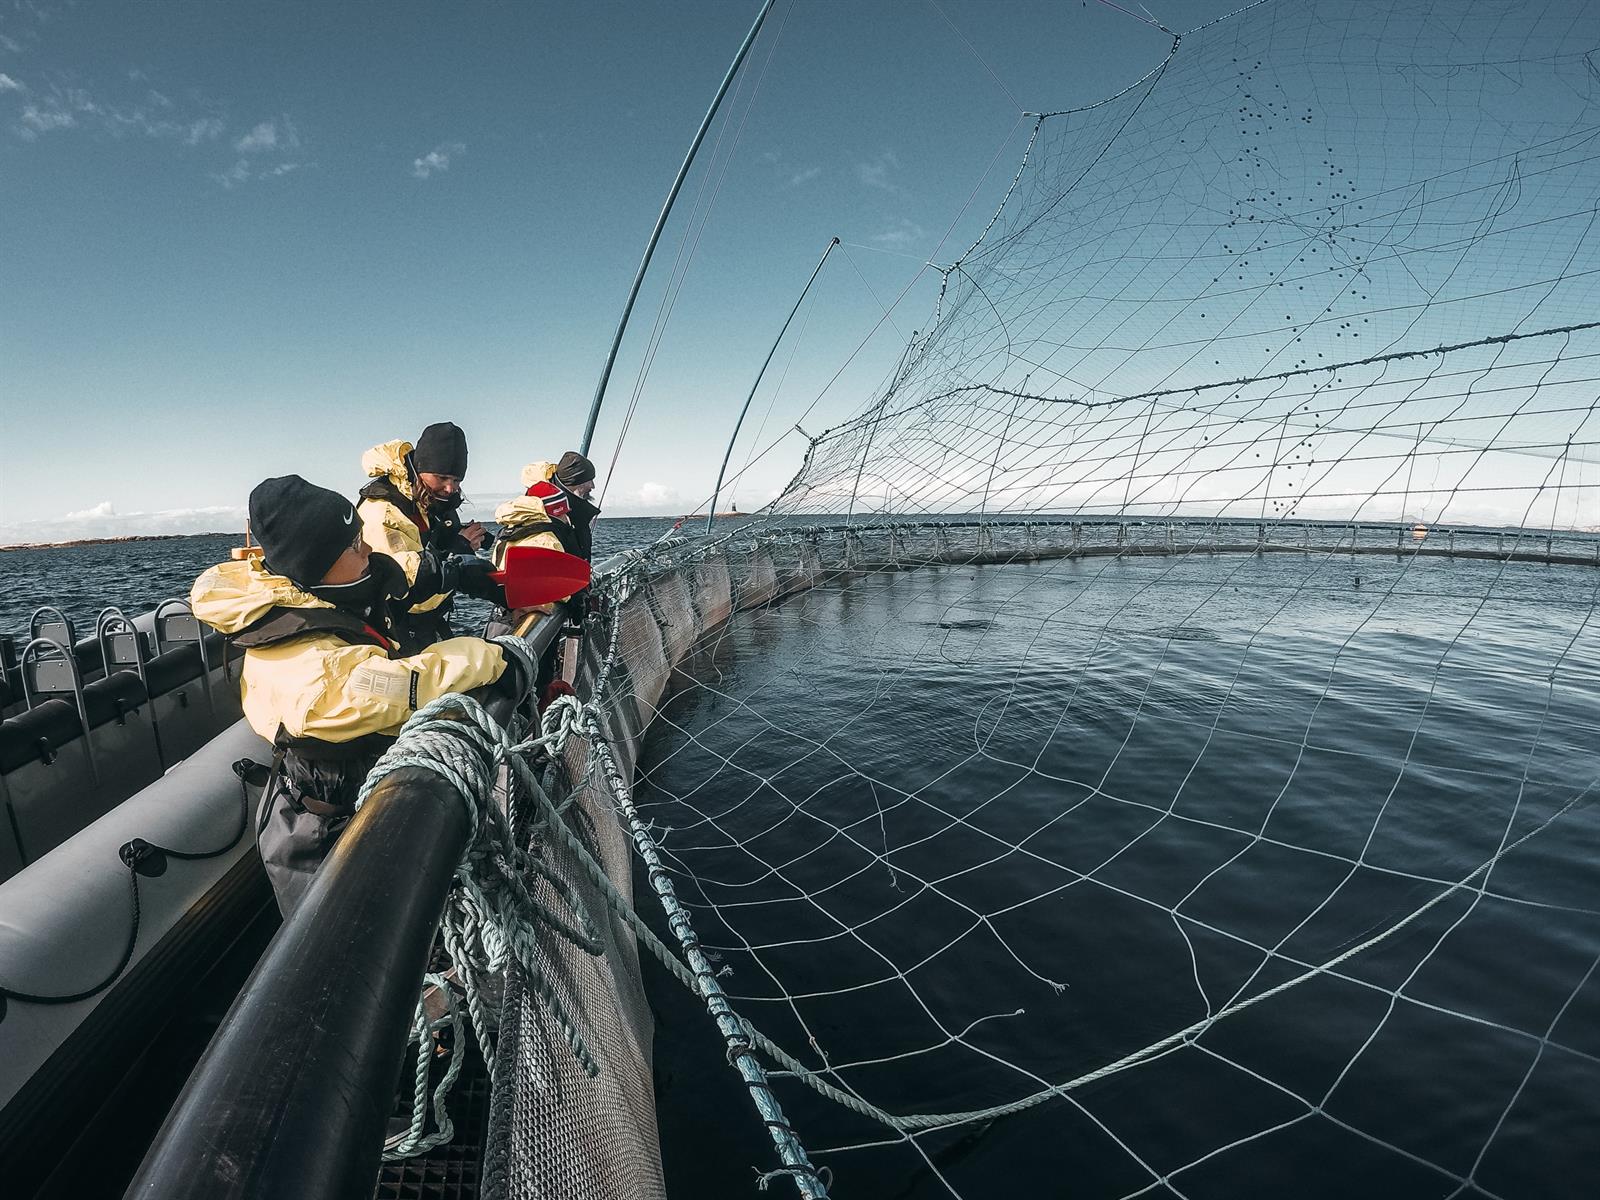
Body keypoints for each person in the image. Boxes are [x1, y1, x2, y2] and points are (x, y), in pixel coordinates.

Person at [190, 474, 524, 915]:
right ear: (314, 564)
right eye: (352, 546)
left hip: (355, 797)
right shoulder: (311, 665)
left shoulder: (328, 595)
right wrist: (494, 658)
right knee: (339, 947)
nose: (367, 550)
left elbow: (396, 578)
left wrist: (454, 571)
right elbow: (397, 689)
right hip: (320, 829)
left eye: (360, 538)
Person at [356, 421, 502, 648]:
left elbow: (451, 567)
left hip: (426, 627)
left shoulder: (428, 505)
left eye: (456, 480)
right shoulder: (384, 512)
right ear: (419, 468)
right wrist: (460, 548)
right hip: (392, 633)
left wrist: (508, 597)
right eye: (441, 477)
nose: (450, 488)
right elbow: (404, 585)